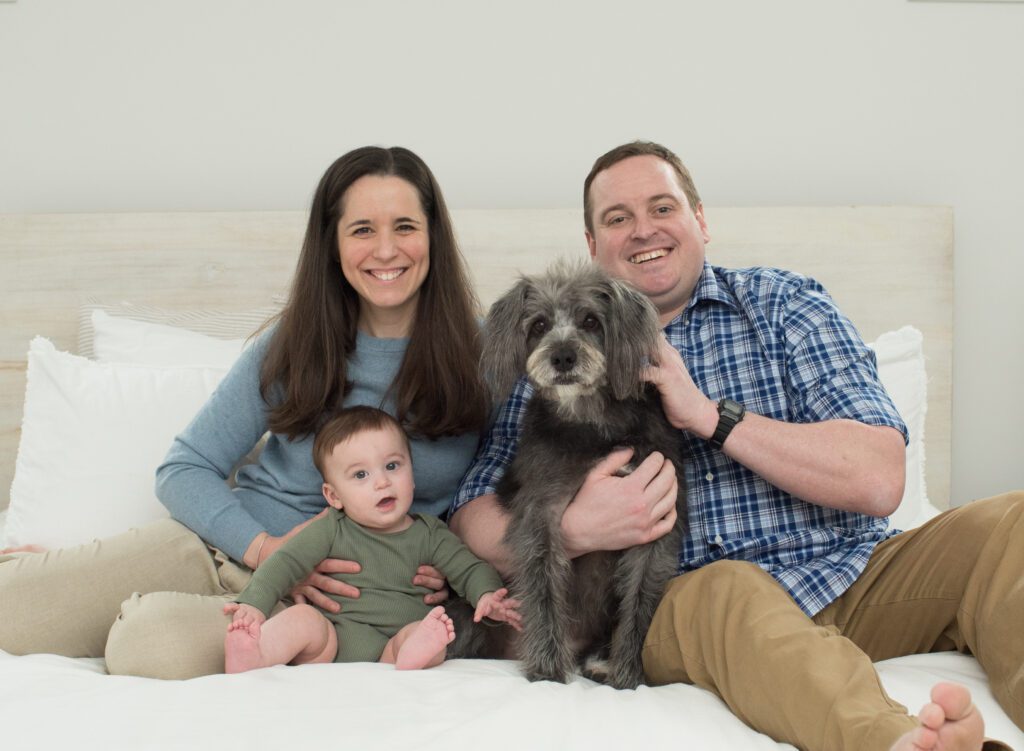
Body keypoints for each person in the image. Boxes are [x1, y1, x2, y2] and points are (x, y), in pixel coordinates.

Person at [449, 140, 1023, 751]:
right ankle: (898, 744)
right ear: (593, 245)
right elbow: (470, 516)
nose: (643, 230)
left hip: (856, 576)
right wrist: (575, 529)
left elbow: (880, 479)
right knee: (732, 587)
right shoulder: (553, 359)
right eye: (617, 218)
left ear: (700, 219)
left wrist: (707, 416)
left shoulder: (785, 305)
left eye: (663, 207)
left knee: (1009, 522)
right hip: (702, 603)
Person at [0, 145, 491, 680]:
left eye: (405, 226)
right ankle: (52, 572)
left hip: (314, 618)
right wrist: (266, 550)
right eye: (362, 230)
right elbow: (184, 467)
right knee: (11, 609)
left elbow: (507, 499)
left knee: (150, 647)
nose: (387, 249)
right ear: (332, 244)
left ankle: (104, 595)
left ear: (433, 235)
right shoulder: (296, 342)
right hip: (221, 554)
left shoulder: (488, 355)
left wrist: (450, 570)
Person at [224, 406, 520, 674]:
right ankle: (256, 655)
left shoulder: (430, 533)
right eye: (360, 475)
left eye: (392, 466)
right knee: (302, 618)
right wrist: (253, 605)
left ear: (413, 475)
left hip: (393, 646)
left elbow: (468, 568)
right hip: (331, 641)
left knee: (431, 632)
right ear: (333, 496)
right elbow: (284, 563)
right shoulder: (331, 527)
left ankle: (412, 655)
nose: (382, 482)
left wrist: (487, 594)